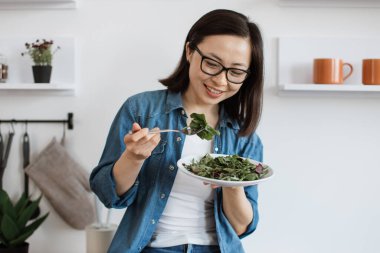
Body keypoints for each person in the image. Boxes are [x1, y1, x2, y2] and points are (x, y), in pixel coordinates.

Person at [90, 9, 264, 253]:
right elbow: (108, 195)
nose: (220, 81)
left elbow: (241, 227)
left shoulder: (244, 135)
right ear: (190, 51)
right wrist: (133, 158)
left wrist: (232, 184)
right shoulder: (141, 110)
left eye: (235, 72)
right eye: (212, 63)